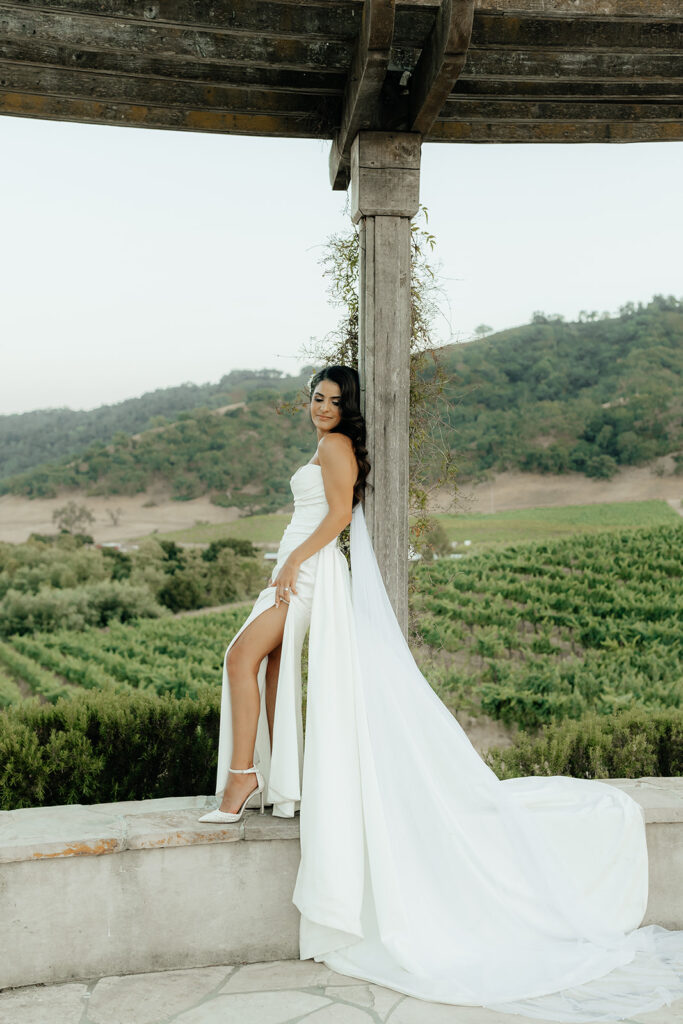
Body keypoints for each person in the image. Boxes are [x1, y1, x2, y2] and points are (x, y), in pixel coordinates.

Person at [199, 365, 683, 1022]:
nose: (320, 407)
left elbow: (339, 514)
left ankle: (241, 779)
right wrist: (284, 559)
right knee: (271, 665)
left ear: (349, 410)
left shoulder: (337, 448)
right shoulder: (324, 443)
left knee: (240, 655)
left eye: (332, 400)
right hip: (294, 568)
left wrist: (289, 564)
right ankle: (271, 780)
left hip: (308, 573)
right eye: (315, 397)